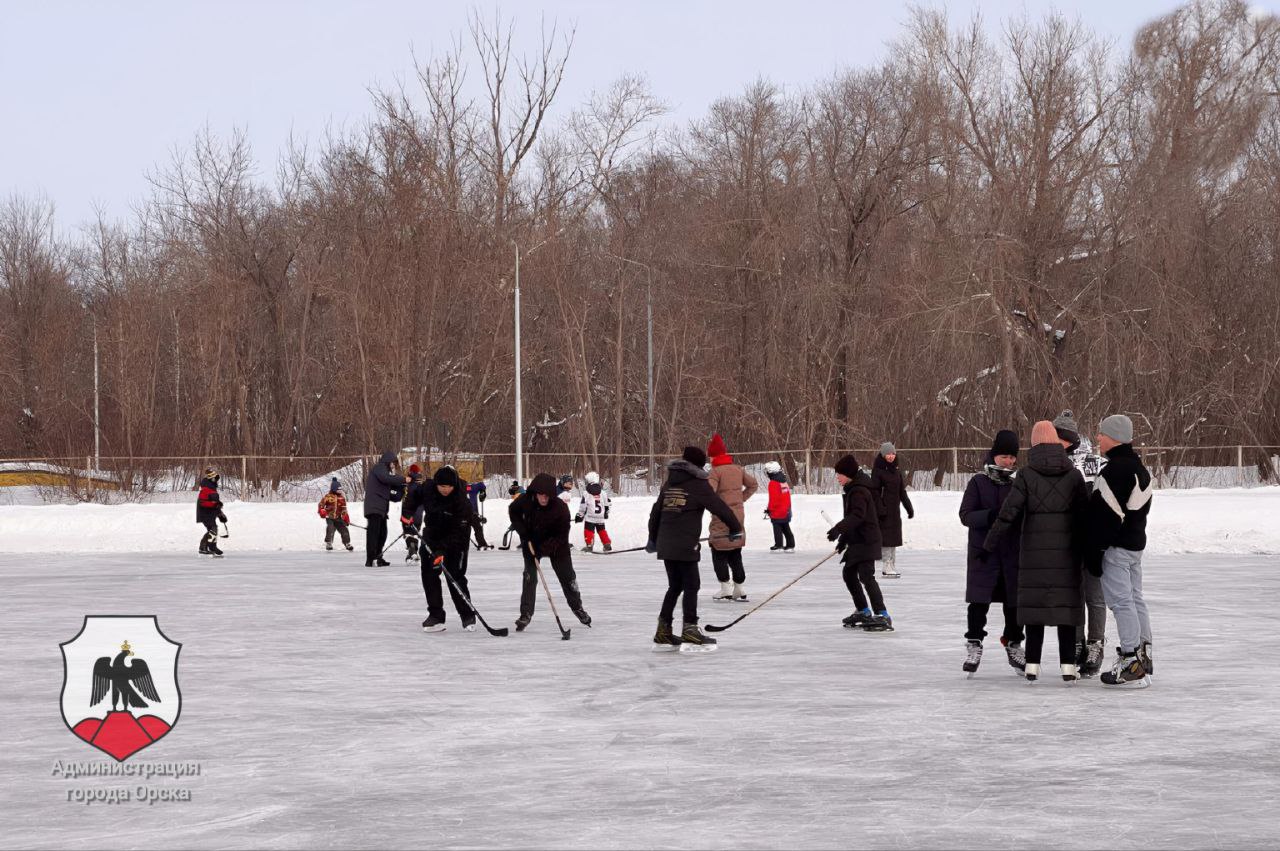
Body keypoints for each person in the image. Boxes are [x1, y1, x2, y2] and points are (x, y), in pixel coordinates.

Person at [984, 421, 1089, 683]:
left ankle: (1032, 665)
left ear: (1033, 444)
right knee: (1065, 610)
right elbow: (1084, 516)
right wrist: (1091, 549)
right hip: (1067, 554)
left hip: (1033, 555)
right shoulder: (1074, 475)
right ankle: (1068, 667)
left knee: (1035, 611)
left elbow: (1009, 513)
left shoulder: (1027, 475)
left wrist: (990, 542)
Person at [646, 446, 743, 650]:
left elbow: (656, 511)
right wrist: (735, 528)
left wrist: (653, 539)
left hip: (666, 542)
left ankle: (663, 630)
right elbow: (719, 507)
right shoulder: (698, 484)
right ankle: (690, 629)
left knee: (675, 586)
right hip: (684, 544)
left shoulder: (670, 482)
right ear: (699, 465)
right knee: (691, 585)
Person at [1086, 414, 1155, 689]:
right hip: (1135, 546)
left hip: (1116, 548)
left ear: (1113, 436)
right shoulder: (1140, 469)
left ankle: (1130, 658)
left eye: (1101, 434)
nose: (1098, 439)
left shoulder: (1113, 471)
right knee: (1136, 599)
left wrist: (1094, 551)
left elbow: (1105, 518)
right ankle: (1143, 653)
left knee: (1121, 602)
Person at [957, 431, 1025, 675]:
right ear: (994, 456)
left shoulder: (1019, 482)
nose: (1008, 461)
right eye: (1004, 456)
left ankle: (1013, 642)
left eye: (1012, 457)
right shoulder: (978, 482)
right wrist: (990, 515)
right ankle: (974, 643)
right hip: (983, 553)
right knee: (978, 602)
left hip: (1010, 553)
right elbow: (965, 515)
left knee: (1014, 603)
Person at [401, 466, 490, 633]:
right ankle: (436, 616)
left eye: (449, 487)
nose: (445, 490)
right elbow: (412, 496)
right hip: (432, 533)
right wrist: (407, 513)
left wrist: (442, 551)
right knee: (428, 573)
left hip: (457, 538)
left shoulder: (461, 501)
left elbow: (458, 533)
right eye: (442, 486)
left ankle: (467, 614)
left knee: (455, 575)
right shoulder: (427, 488)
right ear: (436, 484)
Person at [1055, 409, 1107, 676]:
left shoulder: (1094, 462)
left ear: (1070, 438)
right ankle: (1076, 642)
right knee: (1073, 595)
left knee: (1094, 595)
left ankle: (1096, 643)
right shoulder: (1053, 462)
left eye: (1060, 439)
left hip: (1093, 538)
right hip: (1066, 539)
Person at [509, 473, 592, 632]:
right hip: (532, 543)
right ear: (535, 493)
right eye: (541, 495)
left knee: (568, 578)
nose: (544, 499)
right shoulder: (526, 501)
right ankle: (525, 614)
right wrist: (523, 532)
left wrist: (543, 548)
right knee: (529, 577)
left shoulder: (560, 507)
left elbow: (562, 536)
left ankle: (577, 608)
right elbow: (513, 511)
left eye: (547, 495)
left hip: (557, 546)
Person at [827, 454, 891, 632]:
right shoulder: (853, 489)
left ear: (848, 474)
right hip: (858, 540)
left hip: (867, 540)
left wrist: (838, 529)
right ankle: (863, 610)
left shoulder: (859, 491)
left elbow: (858, 516)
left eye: (839, 474)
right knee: (849, 574)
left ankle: (883, 614)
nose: (837, 477)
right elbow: (853, 518)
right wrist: (843, 540)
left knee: (866, 576)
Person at [706, 434, 758, 602]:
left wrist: (714, 505)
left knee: (719, 549)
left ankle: (725, 587)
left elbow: (708, 493)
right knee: (735, 550)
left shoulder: (715, 472)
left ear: (713, 455)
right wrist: (740, 499)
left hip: (721, 516)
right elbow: (753, 485)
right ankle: (739, 587)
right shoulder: (738, 469)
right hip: (738, 515)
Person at [871, 442, 914, 578]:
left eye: (893, 454)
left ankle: (892, 563)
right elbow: (875, 492)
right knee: (886, 539)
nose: (890, 456)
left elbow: (901, 491)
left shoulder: (896, 471)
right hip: (883, 511)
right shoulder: (878, 471)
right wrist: (880, 508)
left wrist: (908, 507)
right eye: (888, 454)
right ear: (883, 455)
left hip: (894, 511)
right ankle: (886, 564)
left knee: (894, 538)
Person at [364, 451, 408, 567]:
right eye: (393, 463)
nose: (393, 465)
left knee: (382, 533)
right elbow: (387, 478)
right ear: (389, 461)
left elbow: (394, 496)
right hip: (374, 507)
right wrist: (404, 479)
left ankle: (378, 557)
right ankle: (370, 558)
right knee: (374, 533)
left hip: (381, 509)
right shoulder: (380, 468)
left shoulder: (386, 476)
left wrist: (402, 489)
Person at [574, 471, 613, 552]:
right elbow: (607, 504)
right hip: (600, 517)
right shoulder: (603, 493)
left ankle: (589, 545)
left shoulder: (586, 493)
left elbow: (583, 506)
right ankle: (607, 544)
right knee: (601, 530)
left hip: (590, 517)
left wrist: (580, 515)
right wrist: (606, 512)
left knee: (588, 531)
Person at [764, 461, 795, 552]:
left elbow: (773, 499)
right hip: (786, 510)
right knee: (786, 527)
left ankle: (779, 545)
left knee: (777, 527)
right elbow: (786, 497)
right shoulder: (783, 481)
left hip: (777, 511)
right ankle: (790, 545)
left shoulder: (773, 483)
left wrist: (769, 509)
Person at [195, 467, 226, 557]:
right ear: (212, 479)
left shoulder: (212, 488)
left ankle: (207, 547)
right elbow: (203, 502)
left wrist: (220, 514)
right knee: (213, 529)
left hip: (211, 513)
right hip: (205, 513)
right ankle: (208, 547)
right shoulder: (206, 489)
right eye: (215, 478)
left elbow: (215, 503)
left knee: (213, 529)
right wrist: (214, 505)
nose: (217, 481)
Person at [317, 477, 354, 552]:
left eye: (341, 489)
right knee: (330, 528)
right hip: (329, 517)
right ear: (334, 489)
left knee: (344, 529)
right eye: (338, 489)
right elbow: (321, 505)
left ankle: (347, 543)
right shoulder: (328, 497)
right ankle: (329, 543)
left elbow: (344, 509)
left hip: (338, 518)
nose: (340, 491)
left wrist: (346, 518)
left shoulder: (342, 498)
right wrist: (322, 511)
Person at [401, 464, 426, 562]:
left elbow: (404, 497)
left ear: (410, 472)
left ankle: (412, 551)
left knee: (408, 533)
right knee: (415, 533)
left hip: (407, 513)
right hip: (419, 514)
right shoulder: (421, 485)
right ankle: (414, 552)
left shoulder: (407, 484)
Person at [499, 481, 524, 550]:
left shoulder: (518, 495)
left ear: (516, 488)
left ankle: (525, 543)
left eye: (513, 488)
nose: (511, 489)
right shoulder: (521, 493)